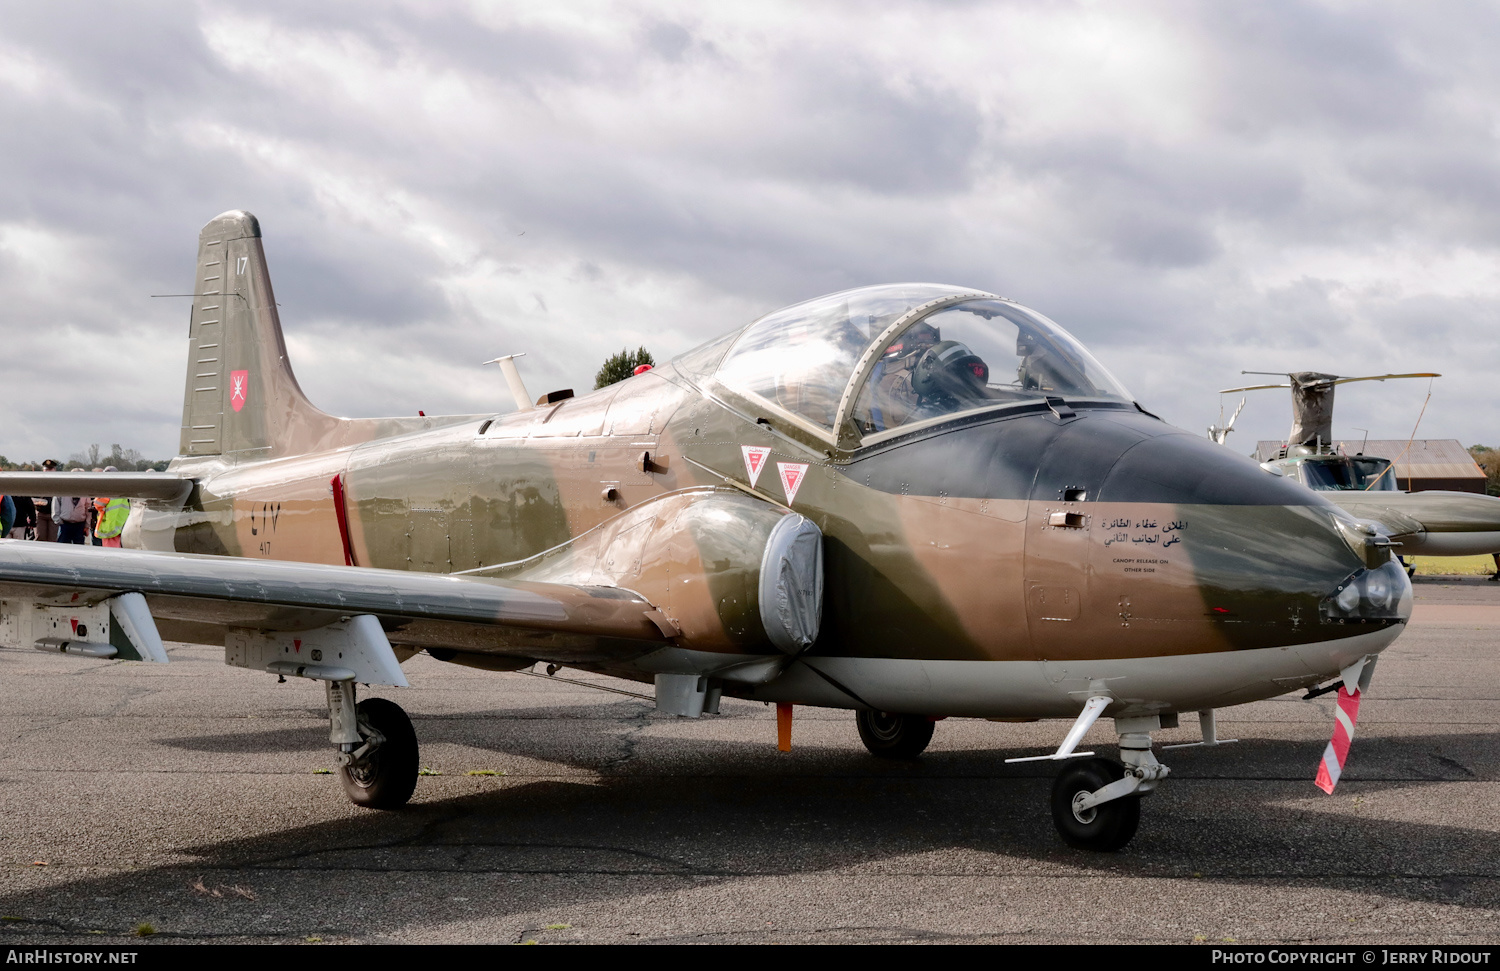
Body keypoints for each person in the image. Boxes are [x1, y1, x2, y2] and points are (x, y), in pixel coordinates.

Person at [53, 471, 91, 545]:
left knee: (79, 548)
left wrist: (87, 525)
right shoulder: (61, 490)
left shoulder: (85, 491)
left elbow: (88, 508)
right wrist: (59, 521)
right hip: (64, 524)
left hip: (80, 525)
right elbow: (55, 506)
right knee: (63, 548)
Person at [94, 467, 128, 548]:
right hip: (122, 526)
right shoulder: (123, 489)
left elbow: (98, 504)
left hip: (109, 527)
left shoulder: (107, 490)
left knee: (109, 555)